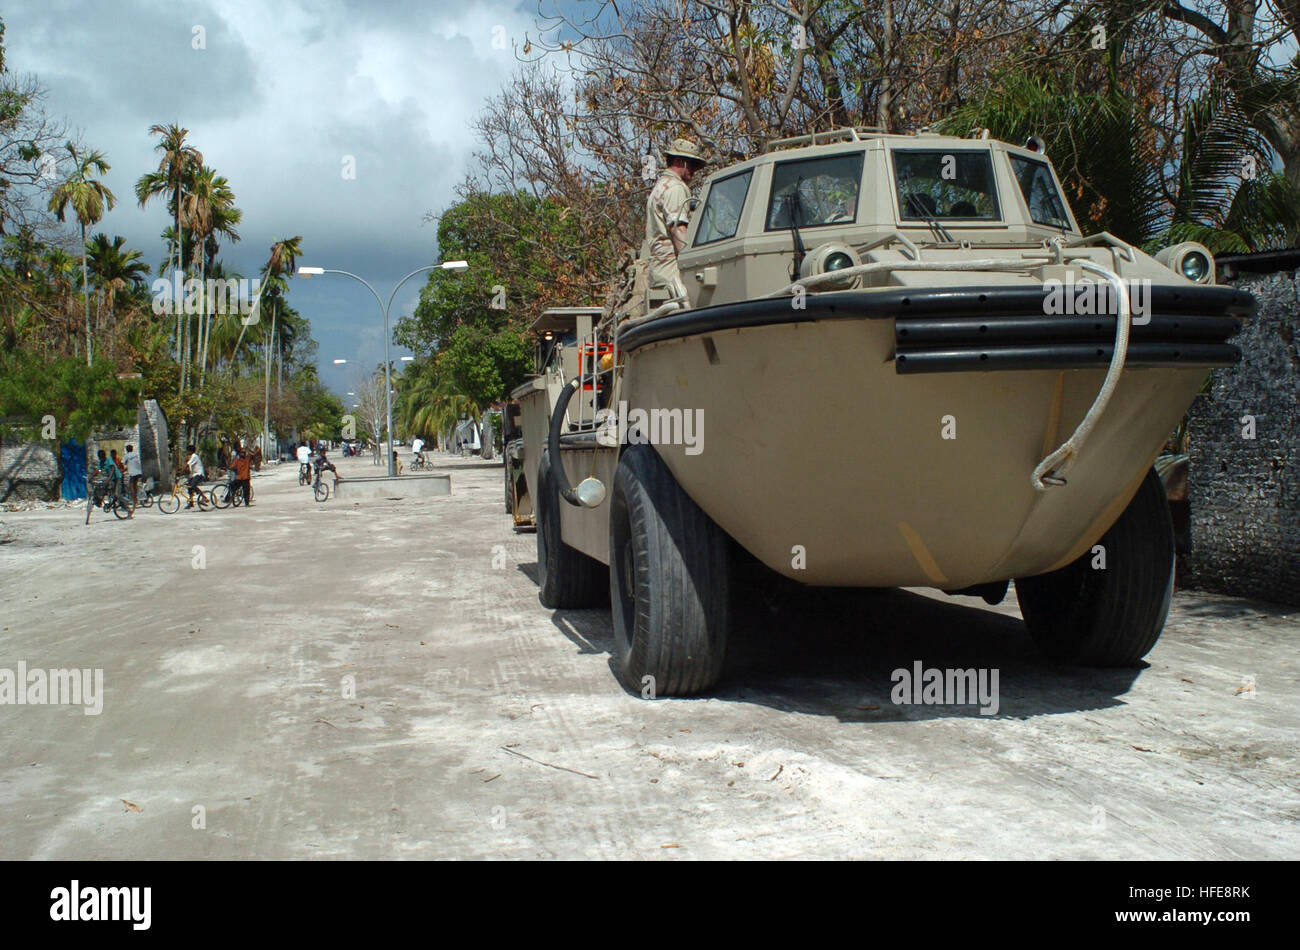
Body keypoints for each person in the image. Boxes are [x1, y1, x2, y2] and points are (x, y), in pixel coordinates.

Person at [646, 138, 705, 302]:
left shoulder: (661, 186)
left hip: (661, 273)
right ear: (680, 161)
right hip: (674, 277)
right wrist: (693, 264)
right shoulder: (675, 188)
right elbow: (678, 230)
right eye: (691, 164)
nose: (693, 170)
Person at [184, 443, 205, 508]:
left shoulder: (194, 456)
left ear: (190, 451)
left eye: (187, 451)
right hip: (194, 475)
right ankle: (191, 502)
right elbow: (189, 468)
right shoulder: (191, 457)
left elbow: (187, 465)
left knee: (193, 485)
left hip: (199, 474)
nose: (187, 452)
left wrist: (180, 471)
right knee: (189, 487)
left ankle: (203, 497)